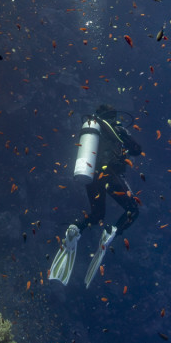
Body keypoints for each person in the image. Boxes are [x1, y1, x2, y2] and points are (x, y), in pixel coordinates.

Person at [49, 105, 142, 288]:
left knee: (97, 214)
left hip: (91, 175)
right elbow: (137, 149)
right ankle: (112, 231)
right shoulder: (116, 129)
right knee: (133, 209)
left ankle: (77, 227)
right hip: (110, 174)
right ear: (112, 116)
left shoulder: (92, 129)